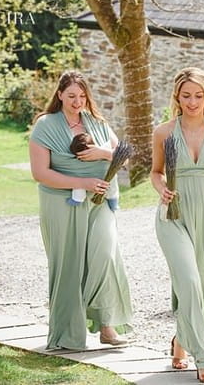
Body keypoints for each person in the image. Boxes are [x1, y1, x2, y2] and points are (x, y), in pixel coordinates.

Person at [29, 70, 132, 350]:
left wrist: (102, 153)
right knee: (69, 265)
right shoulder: (45, 125)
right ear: (60, 94)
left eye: (82, 96)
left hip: (100, 202)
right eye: (72, 95)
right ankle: (68, 333)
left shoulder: (97, 122)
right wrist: (82, 181)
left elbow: (123, 155)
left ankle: (106, 324)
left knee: (105, 255)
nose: (77, 101)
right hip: (61, 203)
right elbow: (40, 173)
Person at [151, 67, 204, 384]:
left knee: (198, 288)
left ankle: (179, 342)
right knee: (187, 281)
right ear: (177, 96)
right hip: (173, 216)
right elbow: (155, 172)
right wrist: (162, 189)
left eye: (199, 95)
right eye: (186, 95)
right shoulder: (163, 132)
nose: (192, 101)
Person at [67, 132, 119, 211]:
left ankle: (77, 199)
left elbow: (119, 153)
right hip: (98, 176)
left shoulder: (100, 149)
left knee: (78, 185)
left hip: (99, 175)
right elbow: (108, 145)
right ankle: (113, 201)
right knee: (111, 185)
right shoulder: (103, 147)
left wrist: (102, 153)